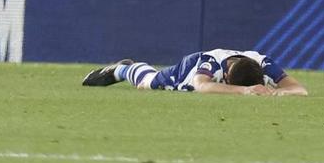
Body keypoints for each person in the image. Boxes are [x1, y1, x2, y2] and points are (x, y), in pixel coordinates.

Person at [81, 49, 308, 95]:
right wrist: (246, 91)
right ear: (226, 76)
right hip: (191, 67)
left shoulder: (264, 63)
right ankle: (124, 69)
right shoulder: (211, 62)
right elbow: (202, 85)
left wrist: (278, 93)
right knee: (148, 83)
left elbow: (299, 90)